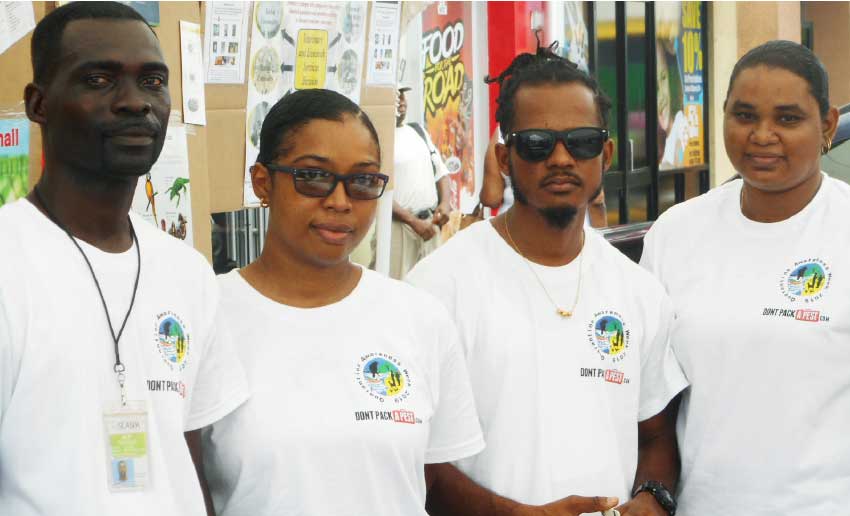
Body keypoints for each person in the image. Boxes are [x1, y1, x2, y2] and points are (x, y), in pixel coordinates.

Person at [407, 42, 687, 516]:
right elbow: (415, 460)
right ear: (504, 156)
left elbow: (656, 434)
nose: (561, 158)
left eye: (581, 142)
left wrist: (652, 501)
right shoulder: (437, 288)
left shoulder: (638, 290)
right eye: (537, 143)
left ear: (607, 153)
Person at [0, 3, 249, 515]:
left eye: (153, 81)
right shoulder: (10, 260)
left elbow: (189, 451)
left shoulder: (189, 273)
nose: (135, 103)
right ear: (38, 104)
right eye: (98, 79)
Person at [200, 88, 485, 516]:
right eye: (313, 177)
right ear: (263, 182)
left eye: (363, 181)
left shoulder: (419, 318)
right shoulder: (207, 315)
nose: (339, 201)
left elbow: (438, 482)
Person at [640, 40, 845, 515]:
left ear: (827, 125)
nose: (762, 135)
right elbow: (653, 404)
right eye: (745, 115)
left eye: (788, 119)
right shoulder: (676, 232)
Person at [481, 124, 608, 227]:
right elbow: (597, 200)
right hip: (573, 233)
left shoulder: (504, 132)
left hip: (515, 230)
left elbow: (491, 198)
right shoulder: (581, 126)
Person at [390, 85, 452, 279]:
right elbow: (378, 191)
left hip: (430, 225)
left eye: (403, 96)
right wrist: (412, 221)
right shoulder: (378, 138)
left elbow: (441, 173)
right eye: (396, 96)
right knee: (397, 289)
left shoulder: (417, 131)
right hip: (400, 228)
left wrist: (445, 204)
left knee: (432, 286)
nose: (401, 102)